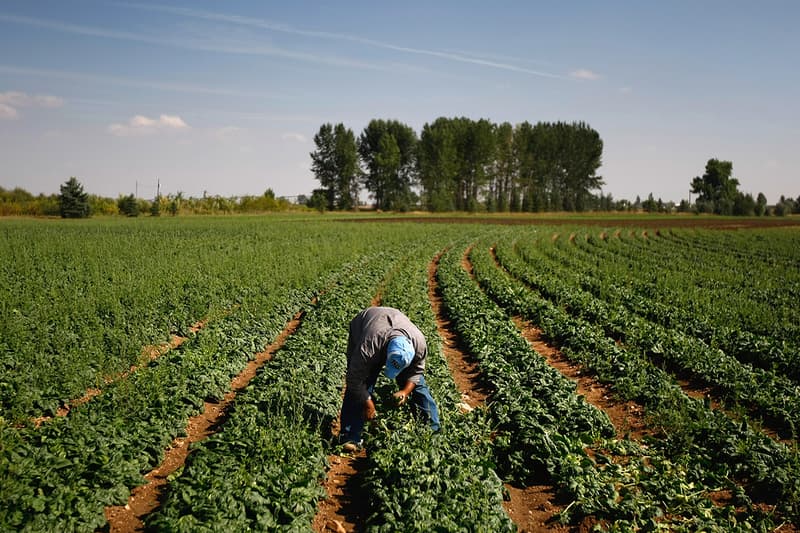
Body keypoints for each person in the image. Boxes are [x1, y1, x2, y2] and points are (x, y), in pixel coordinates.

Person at [339, 306, 440, 451]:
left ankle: (432, 432)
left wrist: (405, 391)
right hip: (363, 325)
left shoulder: (419, 344)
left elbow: (416, 373)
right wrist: (368, 403)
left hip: (392, 323)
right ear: (386, 353)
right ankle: (350, 436)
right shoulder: (369, 346)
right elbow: (354, 379)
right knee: (362, 383)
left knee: (419, 388)